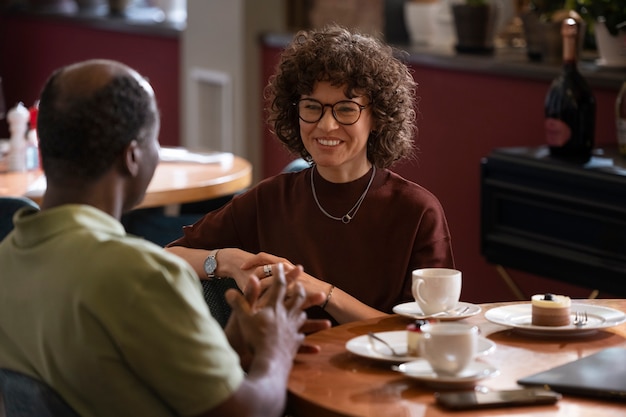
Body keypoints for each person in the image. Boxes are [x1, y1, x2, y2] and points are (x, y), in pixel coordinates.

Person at [0, 59, 328, 417]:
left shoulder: (8, 257)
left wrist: (227, 348)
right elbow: (248, 412)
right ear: (133, 157)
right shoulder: (140, 275)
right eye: (154, 140)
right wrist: (276, 350)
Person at [166, 25, 454, 325]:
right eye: (312, 107)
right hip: (285, 367)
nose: (326, 126)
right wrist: (226, 260)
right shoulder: (270, 199)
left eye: (345, 109)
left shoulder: (417, 211)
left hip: (386, 370)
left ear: (377, 118)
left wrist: (324, 293)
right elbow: (167, 257)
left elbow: (427, 330)